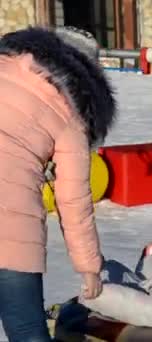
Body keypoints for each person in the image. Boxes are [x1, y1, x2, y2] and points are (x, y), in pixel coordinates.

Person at [0, 26, 116, 340]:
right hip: (10, 223)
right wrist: (89, 266)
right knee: (27, 330)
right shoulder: (71, 117)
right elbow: (73, 201)